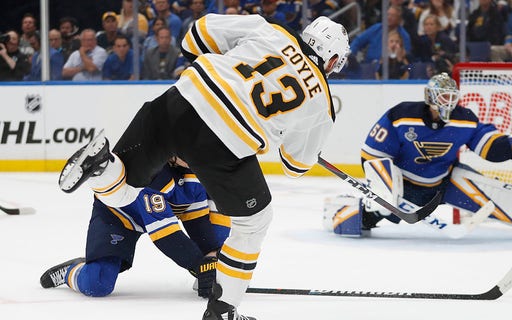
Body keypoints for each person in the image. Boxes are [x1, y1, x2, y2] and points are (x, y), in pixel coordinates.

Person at [56, 14, 349, 320]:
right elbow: (295, 165)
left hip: (182, 98)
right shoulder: (321, 104)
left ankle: (101, 168)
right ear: (332, 60)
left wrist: (228, 71)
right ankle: (223, 311)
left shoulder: (270, 31)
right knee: (255, 222)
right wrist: (292, 136)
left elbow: (196, 35)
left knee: (124, 187)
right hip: (222, 144)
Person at [323, 73, 512, 239]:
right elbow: (372, 155)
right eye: (443, 97)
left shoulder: (464, 120)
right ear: (430, 97)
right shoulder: (401, 115)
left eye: (452, 97)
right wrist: (385, 192)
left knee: (491, 195)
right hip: (402, 186)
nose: (449, 102)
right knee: (376, 211)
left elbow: (489, 146)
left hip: (442, 185)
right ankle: (344, 211)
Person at [40, 158, 230, 298]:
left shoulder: (194, 172)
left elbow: (197, 223)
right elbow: (167, 236)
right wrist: (198, 265)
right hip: (118, 217)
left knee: (218, 233)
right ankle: (72, 271)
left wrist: (211, 260)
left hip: (156, 214)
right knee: (97, 283)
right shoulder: (153, 174)